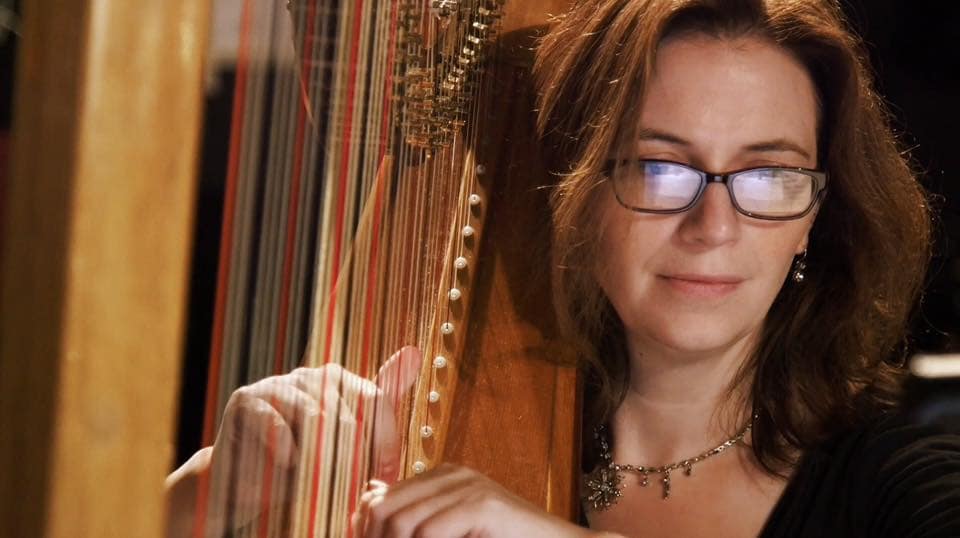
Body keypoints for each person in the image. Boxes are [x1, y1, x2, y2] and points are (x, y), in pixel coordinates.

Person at [166, 0, 960, 536]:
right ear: (580, 193)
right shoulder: (459, 418)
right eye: (660, 168)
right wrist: (209, 496)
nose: (714, 226)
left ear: (814, 218)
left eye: (768, 176)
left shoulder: (901, 476)